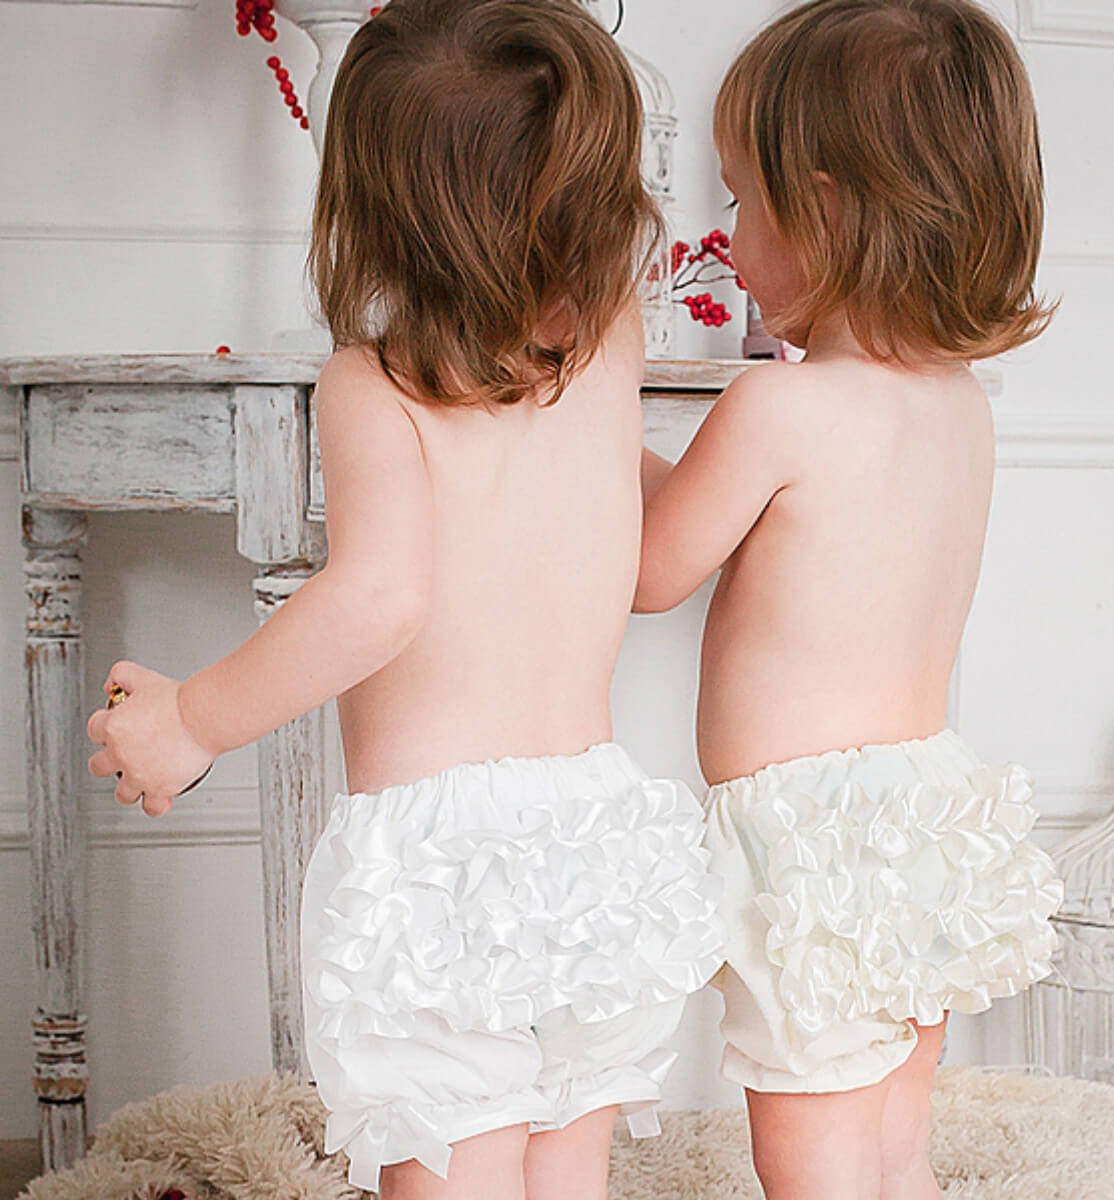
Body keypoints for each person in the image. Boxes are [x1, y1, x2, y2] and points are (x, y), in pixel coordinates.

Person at [85, 2, 722, 1197]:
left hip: (442, 859)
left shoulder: (371, 384)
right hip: (602, 829)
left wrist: (194, 719)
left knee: (448, 1158)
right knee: (567, 1154)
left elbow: (379, 597)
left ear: (373, 206)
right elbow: (610, 521)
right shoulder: (607, 341)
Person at [636, 2, 1064, 1197]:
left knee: (811, 1134)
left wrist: (600, 419)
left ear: (820, 208)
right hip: (924, 805)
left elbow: (652, 567)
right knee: (890, 1129)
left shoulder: (779, 410)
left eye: (738, 200)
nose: (723, 240)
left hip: (806, 838)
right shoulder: (957, 403)